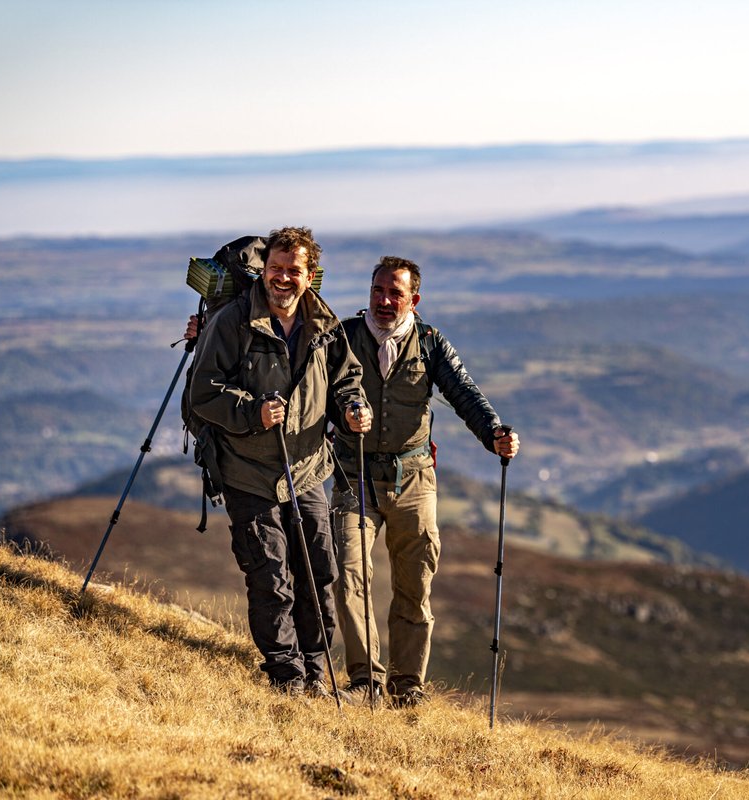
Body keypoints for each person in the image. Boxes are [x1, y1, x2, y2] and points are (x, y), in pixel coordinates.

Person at [187, 226, 372, 697]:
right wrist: (252, 411)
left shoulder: (323, 325)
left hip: (307, 469)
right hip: (248, 471)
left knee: (316, 570)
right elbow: (202, 393)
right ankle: (286, 675)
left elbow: (345, 379)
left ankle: (316, 669)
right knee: (270, 575)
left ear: (311, 275)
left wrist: (353, 407)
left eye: (293, 271)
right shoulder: (232, 322)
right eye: (275, 269)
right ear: (264, 270)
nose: (282, 279)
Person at [331, 256, 519, 707]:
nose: (383, 300)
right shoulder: (341, 338)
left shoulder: (430, 342)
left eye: (395, 293)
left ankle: (406, 686)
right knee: (348, 575)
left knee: (415, 583)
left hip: (414, 478)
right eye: (378, 290)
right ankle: (365, 681)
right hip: (353, 475)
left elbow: (463, 392)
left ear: (413, 299)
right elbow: (322, 389)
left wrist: (493, 432)